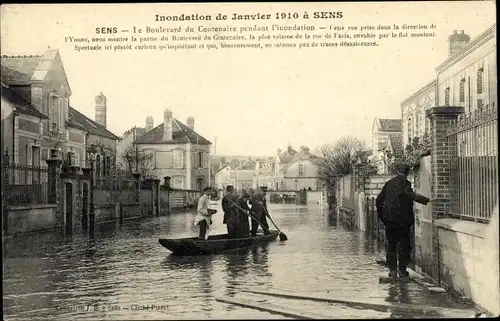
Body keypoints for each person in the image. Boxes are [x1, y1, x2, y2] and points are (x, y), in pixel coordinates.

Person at [376, 163, 431, 281]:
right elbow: (411, 195)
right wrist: (427, 200)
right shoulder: (405, 183)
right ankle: (402, 271)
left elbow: (379, 200)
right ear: (407, 173)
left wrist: (381, 216)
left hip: (389, 221)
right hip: (403, 221)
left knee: (391, 245)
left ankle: (392, 271)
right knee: (404, 246)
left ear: (397, 171)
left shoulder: (389, 183)